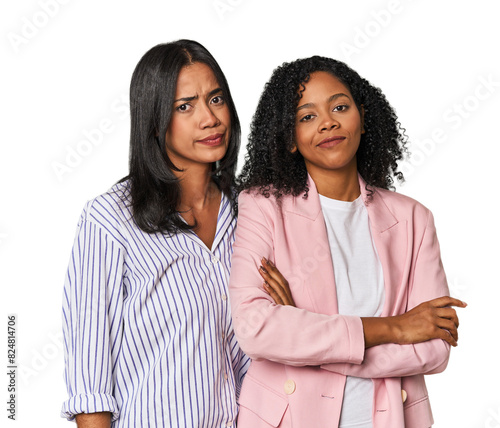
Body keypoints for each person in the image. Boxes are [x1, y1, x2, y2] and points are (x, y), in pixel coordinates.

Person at [229, 55, 466, 428]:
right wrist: (396, 328)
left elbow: (435, 347)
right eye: (307, 116)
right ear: (290, 139)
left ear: (363, 117)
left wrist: (304, 337)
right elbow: (255, 329)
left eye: (340, 106)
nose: (327, 122)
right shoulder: (262, 206)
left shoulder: (413, 219)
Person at [61, 40, 251, 428]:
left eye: (216, 99)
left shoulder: (251, 212)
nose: (209, 118)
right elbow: (89, 384)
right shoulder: (110, 219)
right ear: (154, 118)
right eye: (185, 106)